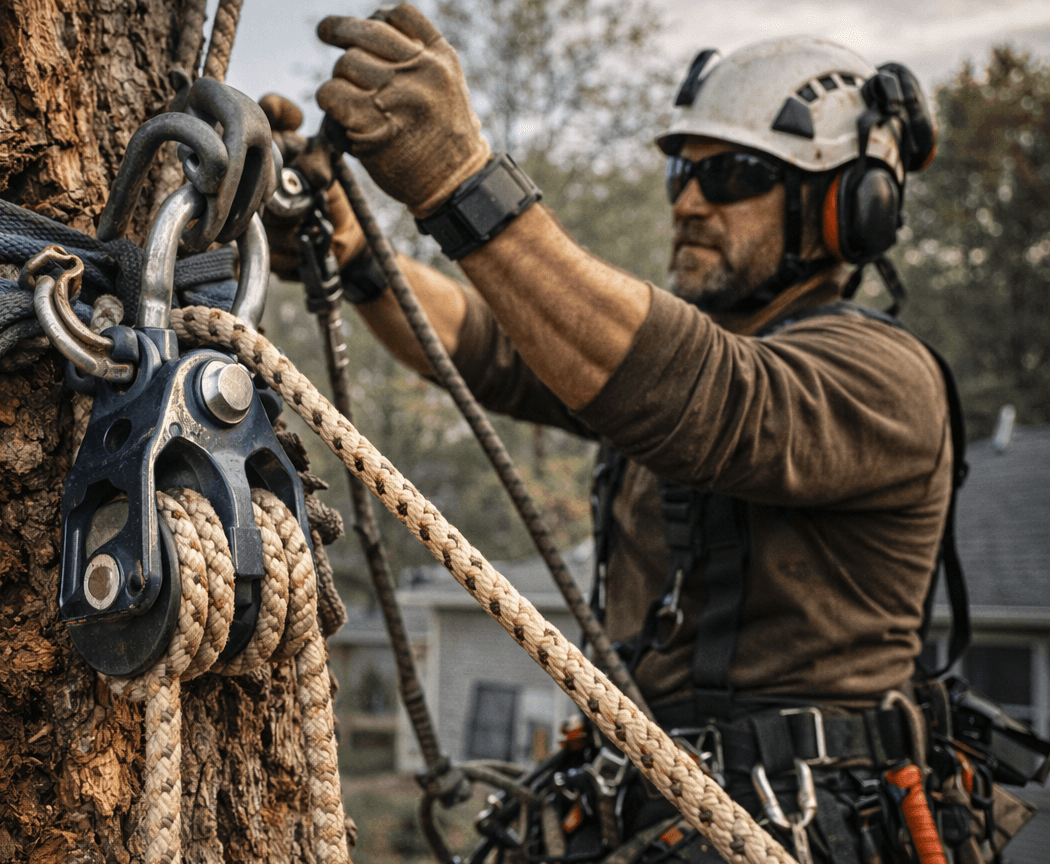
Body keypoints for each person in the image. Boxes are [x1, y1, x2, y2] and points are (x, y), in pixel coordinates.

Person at [263, 5, 987, 862]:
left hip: (795, 824)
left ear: (846, 207)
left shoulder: (885, 377)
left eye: (732, 175)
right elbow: (486, 343)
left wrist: (461, 180)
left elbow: (701, 393)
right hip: (651, 801)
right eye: (683, 170)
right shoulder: (643, 368)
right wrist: (354, 253)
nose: (690, 201)